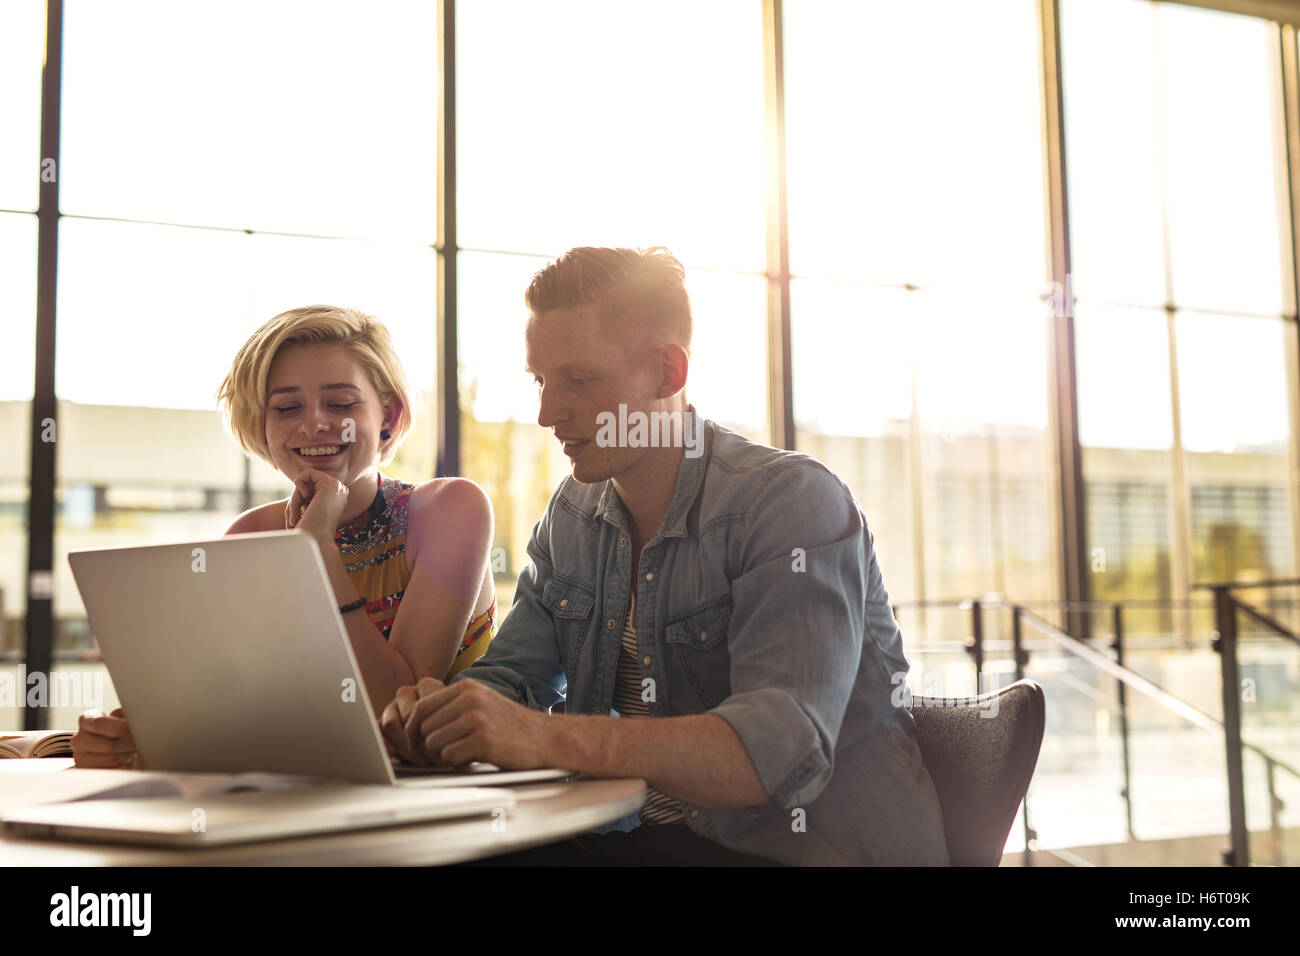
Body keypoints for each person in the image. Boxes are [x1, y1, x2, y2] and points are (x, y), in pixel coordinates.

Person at [381, 247, 950, 866]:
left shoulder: (790, 503)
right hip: (639, 839)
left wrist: (541, 736)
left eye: (579, 380)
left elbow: (774, 750)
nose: (547, 413)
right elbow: (513, 682)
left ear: (667, 373)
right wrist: (440, 718)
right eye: (540, 381)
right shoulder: (572, 515)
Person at [72, 305, 498, 769]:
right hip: (306, 800)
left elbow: (392, 711)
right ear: (263, 425)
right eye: (287, 407)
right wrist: (134, 740)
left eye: (340, 403)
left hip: (448, 807)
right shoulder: (247, 536)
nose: (314, 423)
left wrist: (317, 551)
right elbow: (238, 715)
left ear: (388, 415)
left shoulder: (450, 510)